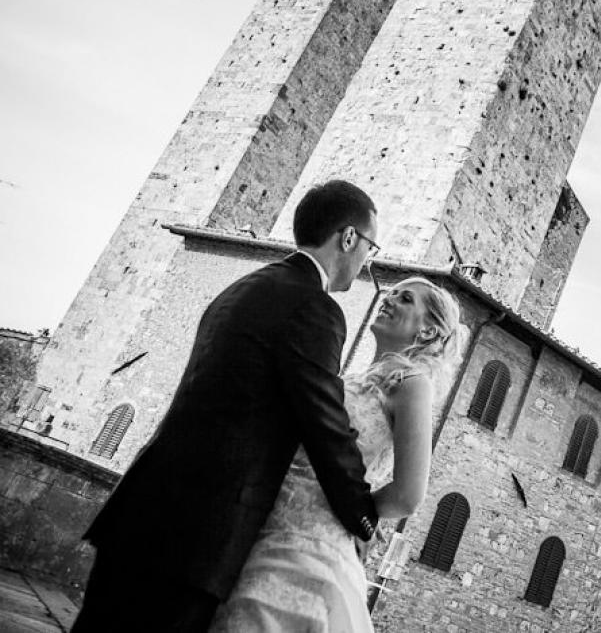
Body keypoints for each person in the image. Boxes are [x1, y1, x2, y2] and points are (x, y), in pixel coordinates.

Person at [73, 180, 384, 633]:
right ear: (349, 237)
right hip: (197, 532)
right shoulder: (314, 307)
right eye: (371, 247)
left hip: (143, 508)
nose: (367, 261)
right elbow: (325, 422)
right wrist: (363, 517)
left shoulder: (244, 287)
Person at [210, 275, 467, 632]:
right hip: (265, 527)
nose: (389, 299)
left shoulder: (412, 384)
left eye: (405, 298)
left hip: (310, 544)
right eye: (391, 293)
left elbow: (408, 495)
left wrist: (357, 516)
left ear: (427, 332)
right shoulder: (352, 378)